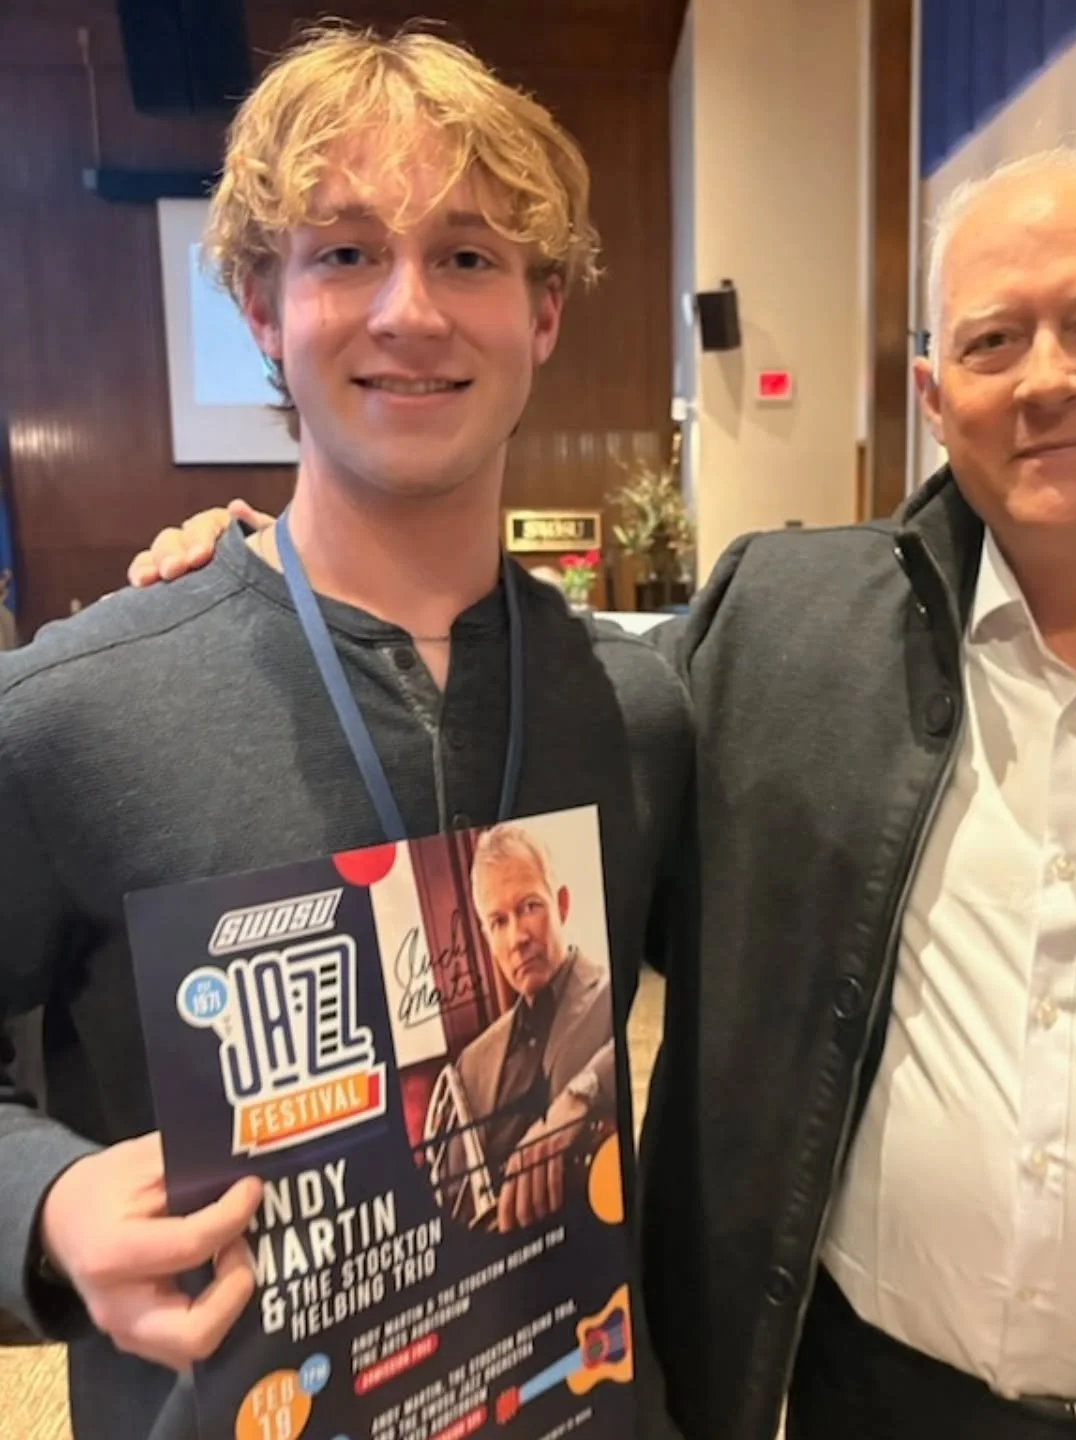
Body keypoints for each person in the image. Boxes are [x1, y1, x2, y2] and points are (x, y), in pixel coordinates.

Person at [135, 147, 1076, 1440]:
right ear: (932, 389)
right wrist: (294, 596)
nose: (1049, 379)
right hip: (862, 1395)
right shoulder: (782, 630)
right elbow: (516, 776)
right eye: (994, 342)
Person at [0, 24, 688, 1440]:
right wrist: (48, 1202)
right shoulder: (76, 712)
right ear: (264, 304)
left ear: (544, 312)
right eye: (347, 253)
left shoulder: (639, 713)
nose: (411, 311)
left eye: (471, 256)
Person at [430, 822, 617, 1234]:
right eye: (498, 921)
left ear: (562, 904)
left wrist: (578, 1096)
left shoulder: (612, 995)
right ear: (487, 937)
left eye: (530, 907)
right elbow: (453, 1204)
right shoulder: (471, 1063)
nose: (517, 937)